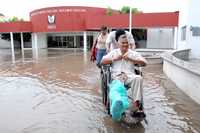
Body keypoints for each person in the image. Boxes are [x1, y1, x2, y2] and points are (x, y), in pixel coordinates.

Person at [101, 32, 147, 114]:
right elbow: (102, 62)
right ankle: (118, 105)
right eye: (123, 43)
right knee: (117, 86)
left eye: (127, 43)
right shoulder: (114, 52)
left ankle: (137, 105)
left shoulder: (133, 53)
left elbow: (144, 63)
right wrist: (114, 59)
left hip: (129, 77)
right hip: (117, 77)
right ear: (118, 44)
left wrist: (132, 59)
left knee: (138, 78)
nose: (125, 44)